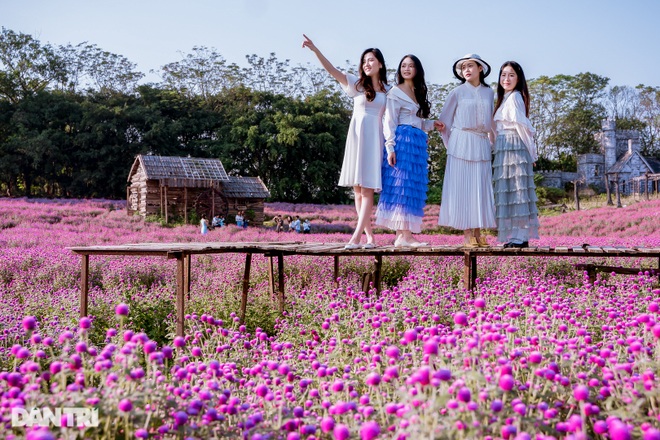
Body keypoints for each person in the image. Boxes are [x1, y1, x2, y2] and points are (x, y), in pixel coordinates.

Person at [303, 35, 390, 250]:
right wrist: (315, 49)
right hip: (356, 137)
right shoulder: (357, 84)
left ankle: (356, 236)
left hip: (374, 137)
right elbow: (331, 70)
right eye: (364, 61)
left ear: (380, 63)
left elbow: (393, 118)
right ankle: (369, 237)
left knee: (367, 189)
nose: (367, 64)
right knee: (358, 190)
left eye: (371, 60)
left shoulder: (389, 91)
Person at [375, 54, 440, 247]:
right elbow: (390, 120)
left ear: (417, 69)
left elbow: (416, 121)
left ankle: (404, 235)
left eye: (411, 66)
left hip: (416, 142)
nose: (406, 69)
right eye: (403, 65)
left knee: (412, 186)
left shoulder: (416, 91)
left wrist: (432, 124)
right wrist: (390, 147)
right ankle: (404, 235)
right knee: (402, 184)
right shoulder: (395, 91)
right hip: (403, 141)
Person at [437, 54, 497, 247]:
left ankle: (479, 233)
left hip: (481, 143)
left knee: (480, 187)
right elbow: (444, 122)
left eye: (470, 66)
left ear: (480, 68)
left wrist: (494, 144)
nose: (467, 70)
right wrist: (452, 146)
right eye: (463, 68)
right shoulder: (457, 92)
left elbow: (493, 122)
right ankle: (467, 234)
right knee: (463, 187)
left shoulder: (489, 92)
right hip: (461, 143)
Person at [493, 61, 539, 248]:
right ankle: (515, 236)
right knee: (509, 192)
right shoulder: (504, 98)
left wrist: (532, 153)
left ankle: (521, 237)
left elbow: (523, 129)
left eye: (511, 75)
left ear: (518, 78)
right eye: (503, 75)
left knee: (519, 191)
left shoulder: (516, 97)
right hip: (504, 147)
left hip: (515, 146)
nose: (507, 79)